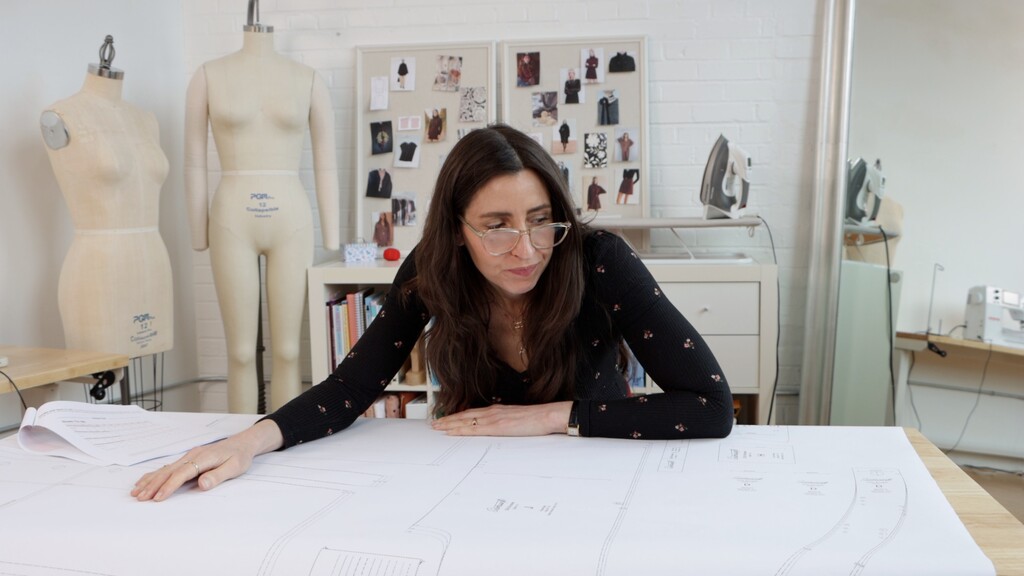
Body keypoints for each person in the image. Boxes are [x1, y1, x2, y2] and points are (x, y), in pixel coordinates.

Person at [132, 124, 733, 502]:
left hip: (594, 477)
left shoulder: (597, 258)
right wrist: (249, 441)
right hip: (470, 480)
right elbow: (351, 387)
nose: (526, 250)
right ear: (458, 230)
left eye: (540, 220)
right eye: (496, 227)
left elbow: (711, 405)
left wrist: (551, 417)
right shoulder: (431, 269)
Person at [184, 28, 340, 414]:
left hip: (291, 219)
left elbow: (326, 160)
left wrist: (333, 233)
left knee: (288, 350)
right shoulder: (208, 75)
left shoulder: (308, 79)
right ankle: (235, 444)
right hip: (231, 218)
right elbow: (193, 160)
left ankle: (282, 442)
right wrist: (197, 230)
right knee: (239, 352)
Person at [40, 36, 174, 358]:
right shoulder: (61, 115)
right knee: (104, 375)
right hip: (100, 269)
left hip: (153, 260)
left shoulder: (146, 120)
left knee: (149, 382)